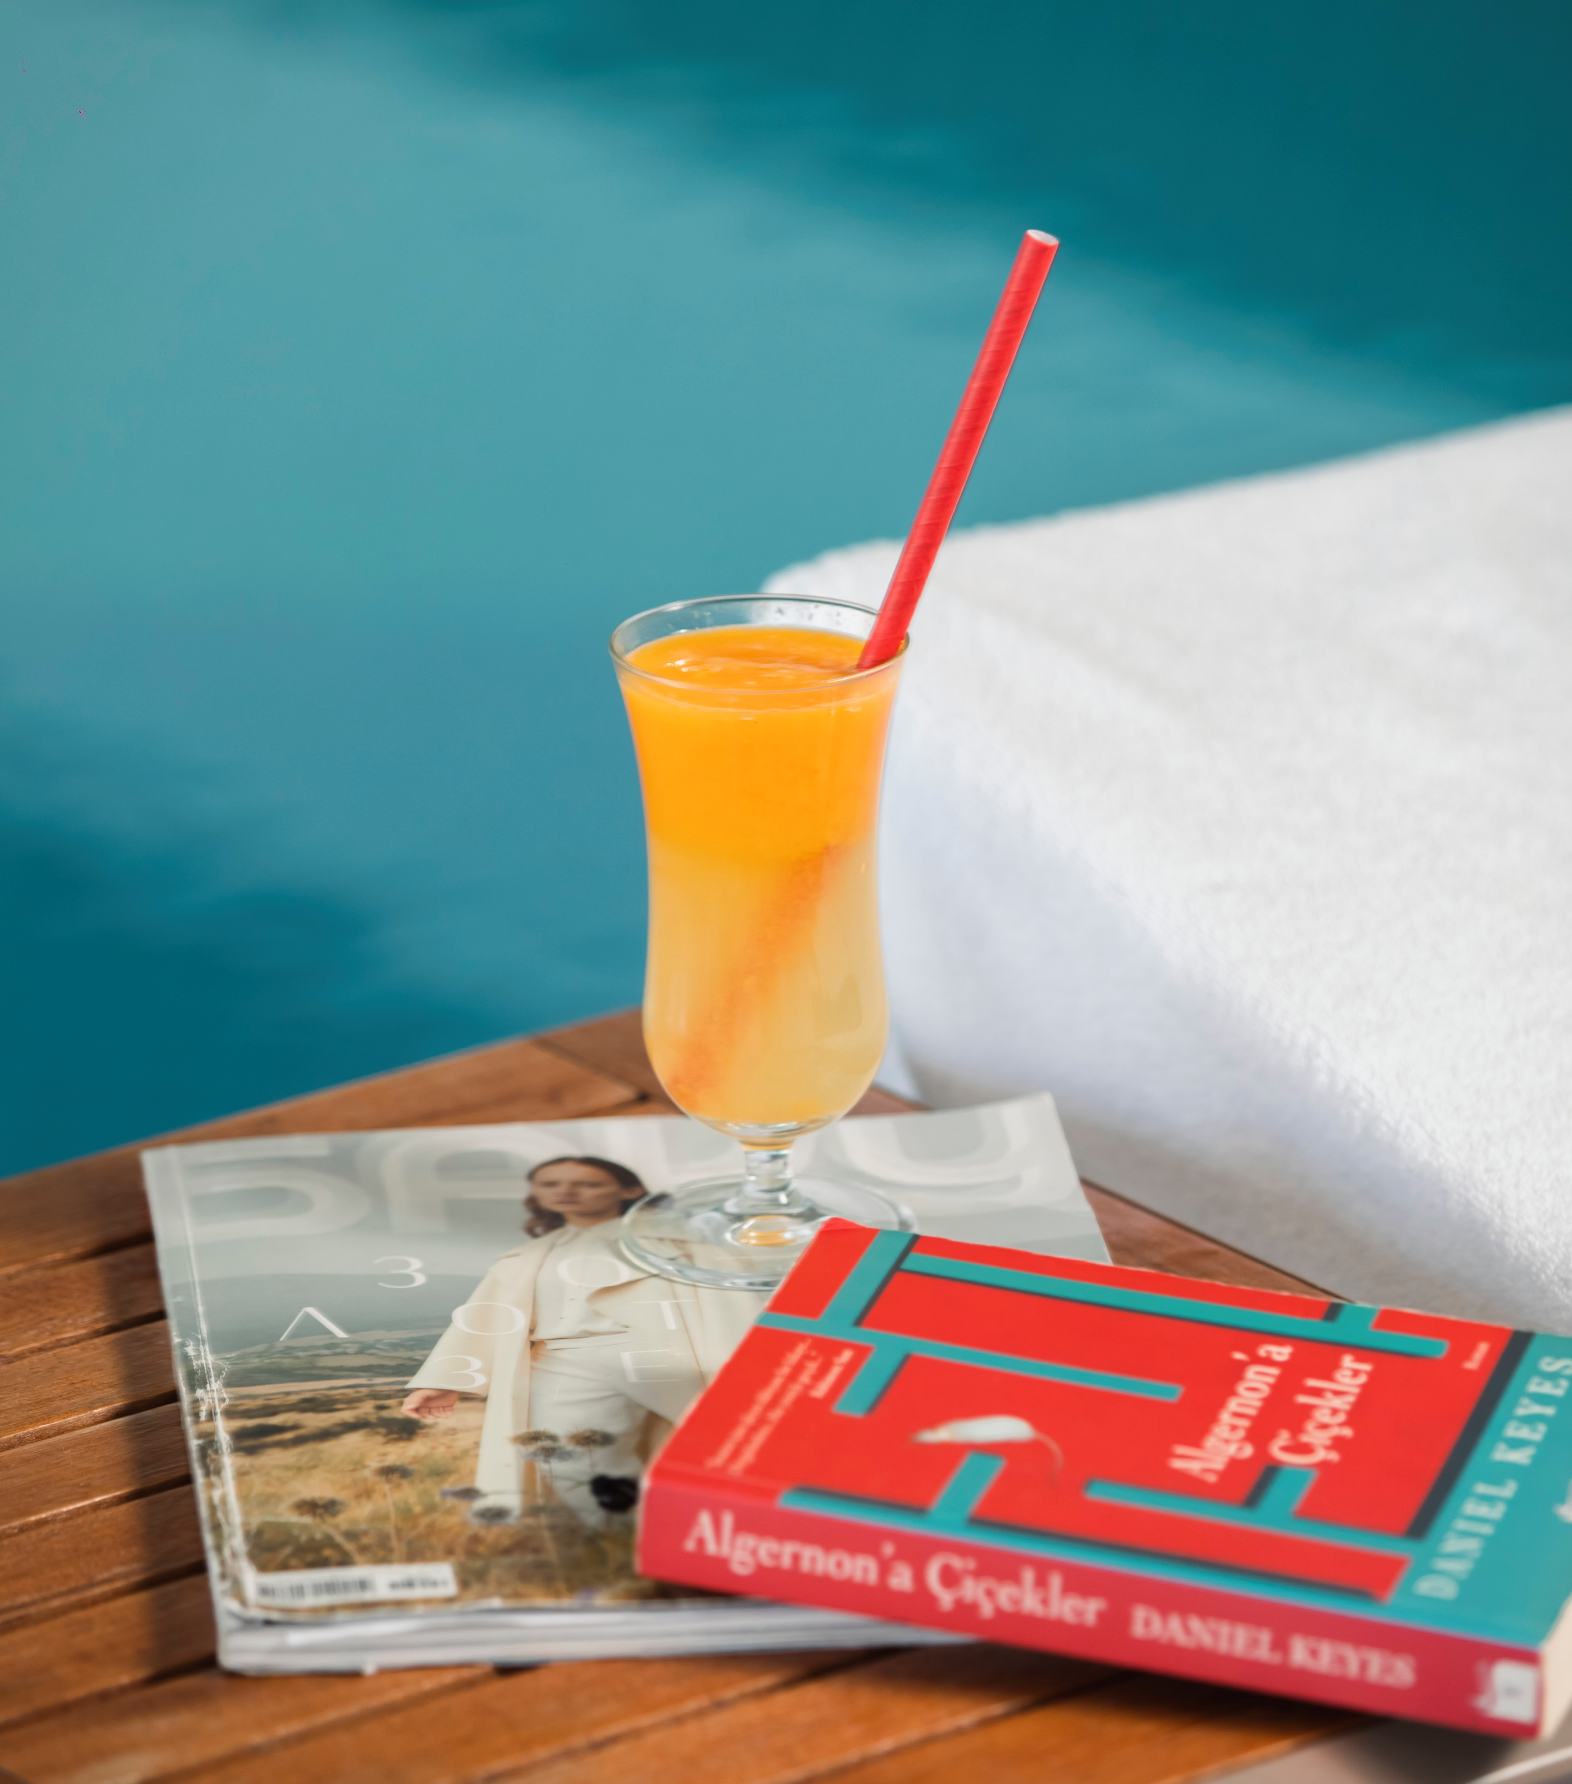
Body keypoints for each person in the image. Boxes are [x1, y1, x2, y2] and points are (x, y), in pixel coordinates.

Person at [401, 1156, 759, 1524]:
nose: (567, 1192)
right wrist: (446, 1380)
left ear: (629, 1190)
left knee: (723, 1440)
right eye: (550, 1184)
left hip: (659, 1352)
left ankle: (724, 1523)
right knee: (572, 1456)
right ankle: (623, 1533)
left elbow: (729, 1303)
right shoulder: (529, 1256)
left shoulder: (677, 1243)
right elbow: (488, 1314)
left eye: (588, 1184)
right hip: (561, 1359)